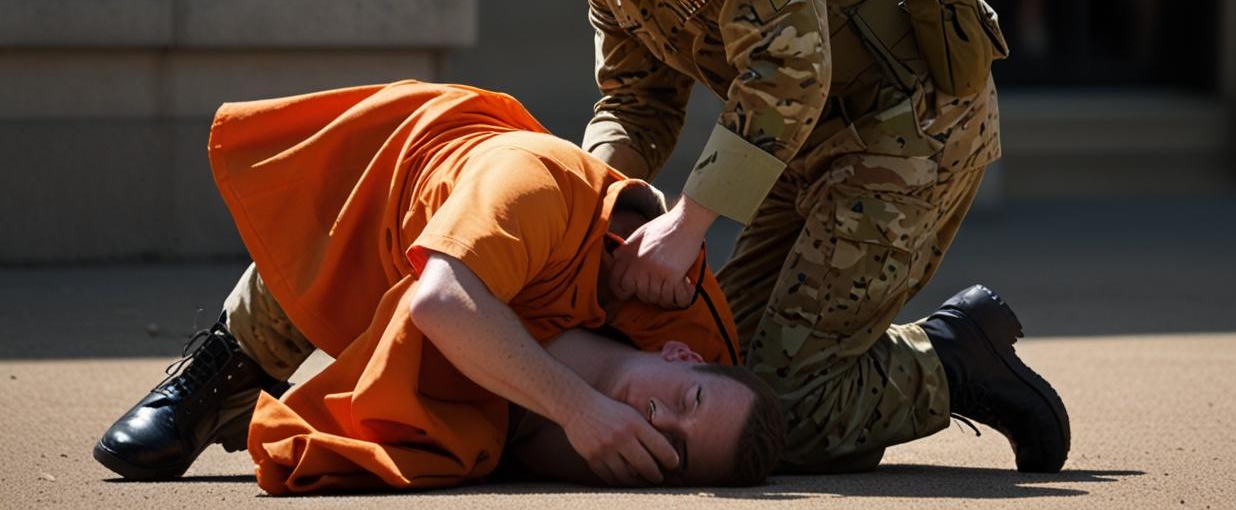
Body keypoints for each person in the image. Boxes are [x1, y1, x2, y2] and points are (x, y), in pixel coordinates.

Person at [456, 0, 1069, 473]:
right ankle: (873, 368)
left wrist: (686, 225)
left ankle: (956, 358)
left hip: (906, 127)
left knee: (773, 411)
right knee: (724, 377)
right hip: (802, 147)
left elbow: (789, 71)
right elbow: (635, 103)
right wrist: (590, 211)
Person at [94, 81, 783, 491]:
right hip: (398, 192)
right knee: (364, 260)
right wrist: (579, 408)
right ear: (684, 359)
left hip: (480, 310)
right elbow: (441, 301)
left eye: (679, 451)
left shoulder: (600, 453)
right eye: (690, 399)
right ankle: (233, 364)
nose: (664, 423)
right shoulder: (645, 284)